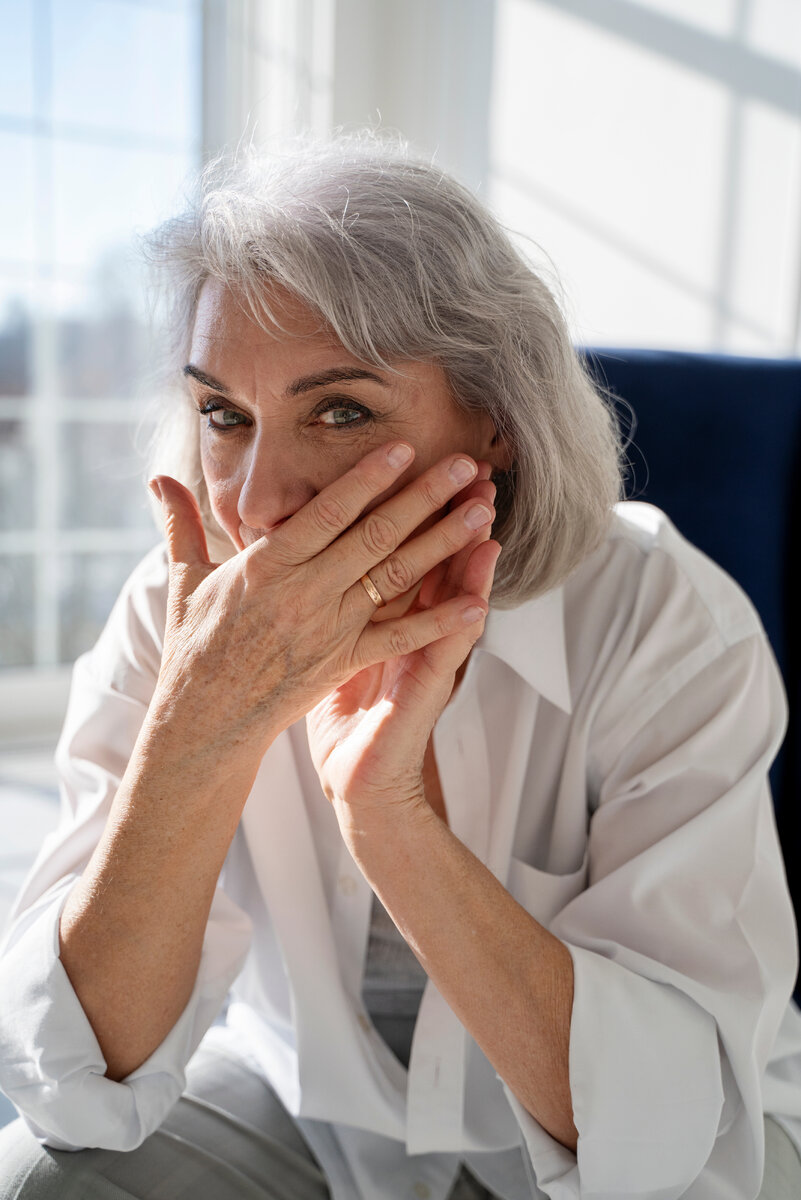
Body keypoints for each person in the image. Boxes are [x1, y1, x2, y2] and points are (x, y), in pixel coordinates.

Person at [1, 132, 800, 1200]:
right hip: (306, 1111)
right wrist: (200, 728)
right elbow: (72, 1084)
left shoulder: (662, 614)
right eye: (225, 416)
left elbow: (668, 1128)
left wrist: (388, 818)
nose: (257, 502)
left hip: (627, 1153)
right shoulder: (178, 612)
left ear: (497, 421)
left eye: (341, 412)